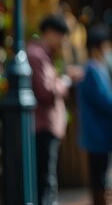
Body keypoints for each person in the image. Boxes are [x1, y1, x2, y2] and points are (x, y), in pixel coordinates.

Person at [27, 15, 83, 205]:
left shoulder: (45, 55)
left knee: (47, 179)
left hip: (46, 127)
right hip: (43, 127)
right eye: (61, 36)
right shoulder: (36, 54)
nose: (63, 42)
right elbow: (45, 92)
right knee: (45, 181)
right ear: (50, 33)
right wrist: (66, 80)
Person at [76, 25, 112, 205]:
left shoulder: (95, 69)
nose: (108, 51)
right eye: (106, 46)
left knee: (100, 179)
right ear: (97, 47)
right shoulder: (92, 71)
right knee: (101, 180)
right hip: (98, 136)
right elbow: (106, 102)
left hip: (98, 135)